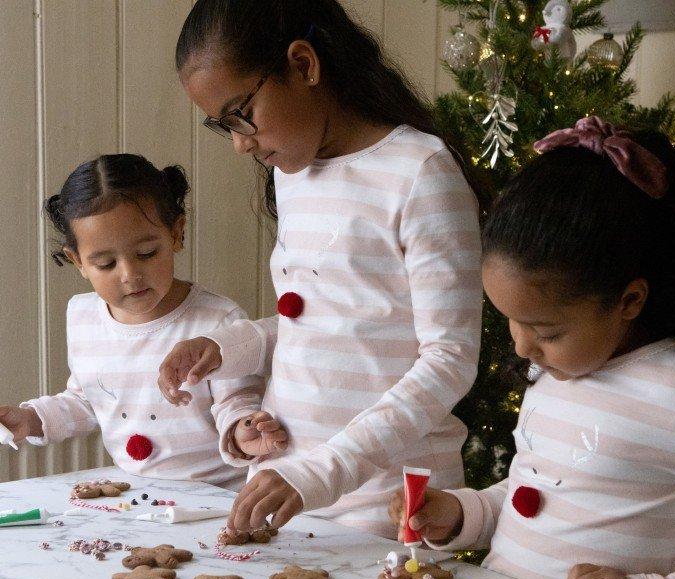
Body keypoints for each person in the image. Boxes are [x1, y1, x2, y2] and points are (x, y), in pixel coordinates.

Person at [389, 118, 675, 579]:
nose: (522, 346)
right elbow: (536, 497)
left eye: (547, 330)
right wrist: (461, 514)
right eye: (510, 321)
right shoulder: (554, 375)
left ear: (629, 300)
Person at [158, 0, 482, 535]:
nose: (240, 144)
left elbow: (449, 360)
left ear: (304, 65)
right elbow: (328, 321)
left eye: (242, 114)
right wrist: (227, 348)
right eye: (223, 127)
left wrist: (321, 473)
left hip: (385, 501)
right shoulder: (293, 171)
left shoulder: (420, 172)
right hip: (285, 488)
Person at [0, 154, 284, 489]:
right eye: (106, 264)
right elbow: (87, 400)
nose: (130, 275)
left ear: (175, 234)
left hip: (218, 496)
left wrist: (243, 430)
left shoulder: (217, 319)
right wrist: (29, 420)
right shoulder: (82, 316)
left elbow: (236, 402)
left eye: (147, 254)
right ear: (77, 261)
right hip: (139, 496)